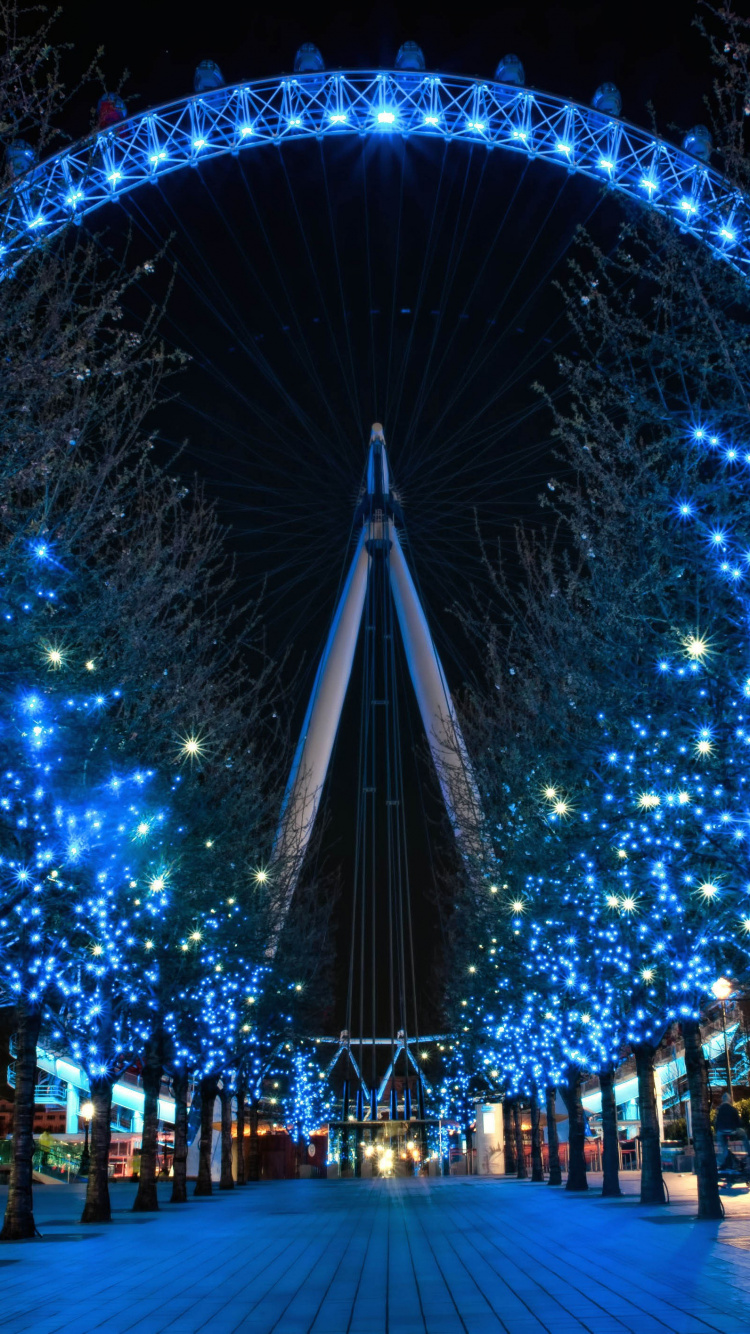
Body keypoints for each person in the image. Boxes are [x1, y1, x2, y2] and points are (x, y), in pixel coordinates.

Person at [715, 1093, 748, 1167]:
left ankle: (720, 1161)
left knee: (724, 1146)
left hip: (721, 1131)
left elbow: (716, 1122)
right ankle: (748, 1153)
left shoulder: (719, 1110)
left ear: (722, 1100)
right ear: (729, 1100)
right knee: (744, 1135)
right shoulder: (732, 1109)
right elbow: (738, 1122)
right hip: (732, 1130)